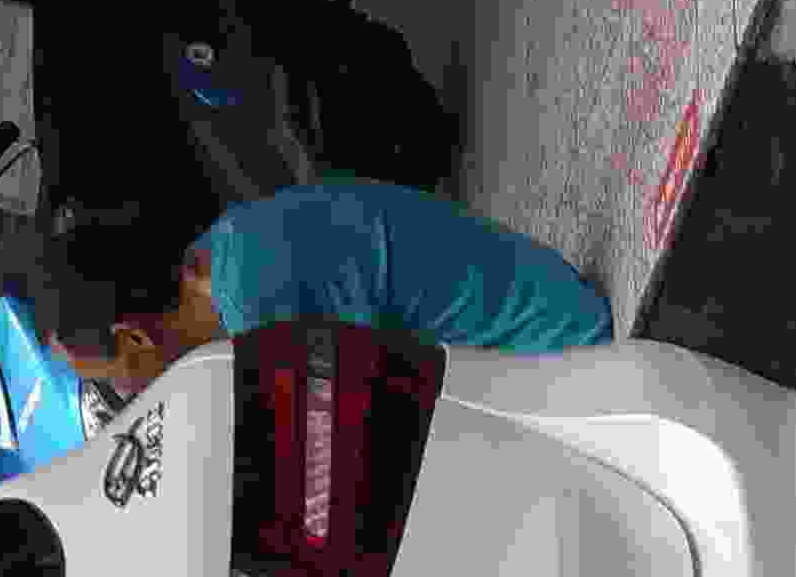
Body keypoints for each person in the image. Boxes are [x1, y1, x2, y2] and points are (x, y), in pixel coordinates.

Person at [48, 176, 610, 410]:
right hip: (545, 312)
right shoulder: (221, 252)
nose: (124, 393)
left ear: (134, 337)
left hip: (568, 361)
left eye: (110, 379)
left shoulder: (255, 306)